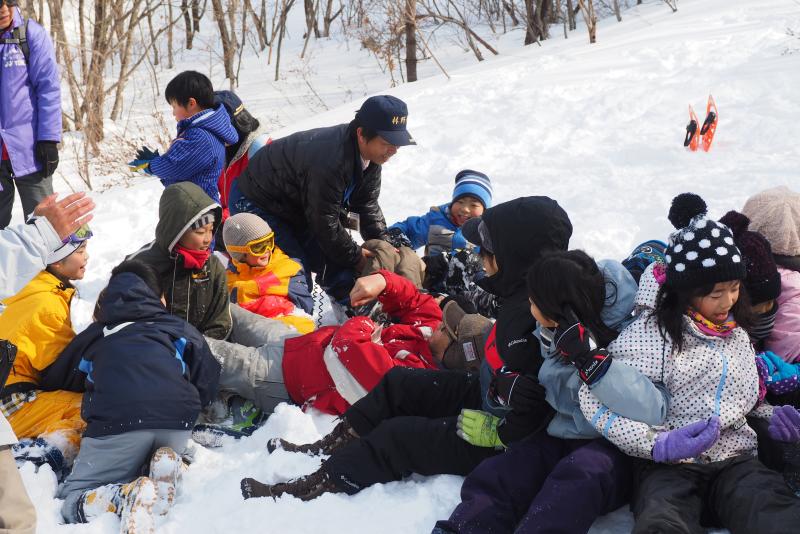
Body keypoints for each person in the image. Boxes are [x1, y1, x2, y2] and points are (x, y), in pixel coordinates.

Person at [238, 196, 571, 501]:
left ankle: (323, 483)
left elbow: (546, 399)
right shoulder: (520, 295)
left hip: (499, 437)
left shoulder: (544, 314)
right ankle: (334, 443)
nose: (481, 259)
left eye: (487, 251)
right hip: (486, 396)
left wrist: (503, 433)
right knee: (401, 382)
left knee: (399, 436)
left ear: (515, 256)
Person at [579, 193, 800, 533]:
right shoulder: (651, 336)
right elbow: (593, 397)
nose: (728, 301)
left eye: (734, 288)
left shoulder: (736, 335)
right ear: (686, 292)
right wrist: (657, 443)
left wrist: (772, 416)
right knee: (662, 520)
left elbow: (744, 402)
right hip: (669, 466)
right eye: (716, 294)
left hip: (734, 461)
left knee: (775, 509)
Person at [436, 250, 654, 533]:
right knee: (506, 472)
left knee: (575, 481)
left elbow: (651, 408)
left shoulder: (634, 335)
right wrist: (504, 385)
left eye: (534, 302)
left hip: (615, 446)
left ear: (560, 307)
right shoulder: (550, 327)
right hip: (560, 433)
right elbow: (539, 382)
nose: (530, 307)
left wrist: (593, 362)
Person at [53, 260, 220, 532]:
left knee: (70, 501)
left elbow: (59, 377)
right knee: (153, 450)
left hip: (118, 422)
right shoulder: (178, 329)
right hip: (176, 422)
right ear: (161, 298)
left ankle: (122, 496)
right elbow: (208, 379)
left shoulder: (97, 335)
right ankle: (166, 465)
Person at [230, 95, 415, 308]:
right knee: (293, 266)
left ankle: (356, 306)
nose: (393, 151)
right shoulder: (330, 159)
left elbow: (366, 205)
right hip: (257, 199)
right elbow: (324, 224)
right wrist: (356, 257)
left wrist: (384, 246)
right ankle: (293, 324)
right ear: (361, 134)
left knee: (334, 258)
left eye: (397, 144)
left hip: (299, 205)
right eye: (387, 144)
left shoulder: (371, 158)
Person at [0, 191, 93, 534]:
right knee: (87, 409)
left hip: (10, 390)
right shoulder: (45, 302)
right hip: (11, 400)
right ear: (55, 261)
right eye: (78, 251)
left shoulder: (31, 285)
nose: (86, 257)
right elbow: (61, 368)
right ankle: (40, 458)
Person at [128, 182, 231, 340]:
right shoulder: (139, 266)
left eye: (211, 230)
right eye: (200, 231)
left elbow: (219, 322)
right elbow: (123, 317)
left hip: (202, 351)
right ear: (176, 230)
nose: (208, 239)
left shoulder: (213, 267)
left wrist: (196, 351)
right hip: (153, 352)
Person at [128, 71, 238, 205]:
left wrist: (150, 165)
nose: (173, 112)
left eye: (174, 106)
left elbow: (174, 166)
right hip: (194, 202)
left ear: (191, 103)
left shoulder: (200, 137)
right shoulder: (204, 130)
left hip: (196, 207)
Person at [0, 0, 61, 229]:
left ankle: (50, 265)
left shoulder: (30, 34)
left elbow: (49, 88)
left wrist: (49, 139)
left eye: (8, 1)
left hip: (30, 152)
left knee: (45, 227)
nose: (4, 8)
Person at [222, 212, 314, 334]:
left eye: (269, 242)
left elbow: (306, 310)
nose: (266, 251)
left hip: (288, 334)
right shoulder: (228, 280)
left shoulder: (288, 271)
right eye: (258, 247)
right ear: (239, 253)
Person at [388, 169, 492, 256]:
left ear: (484, 210)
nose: (465, 209)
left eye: (473, 205)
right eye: (460, 202)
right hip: (434, 276)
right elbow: (411, 230)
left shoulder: (487, 231)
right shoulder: (437, 220)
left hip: (472, 278)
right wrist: (397, 234)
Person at [213, 90, 270, 222]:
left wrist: (222, 217)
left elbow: (265, 207)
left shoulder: (261, 150)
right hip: (233, 225)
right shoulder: (224, 150)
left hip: (258, 230)